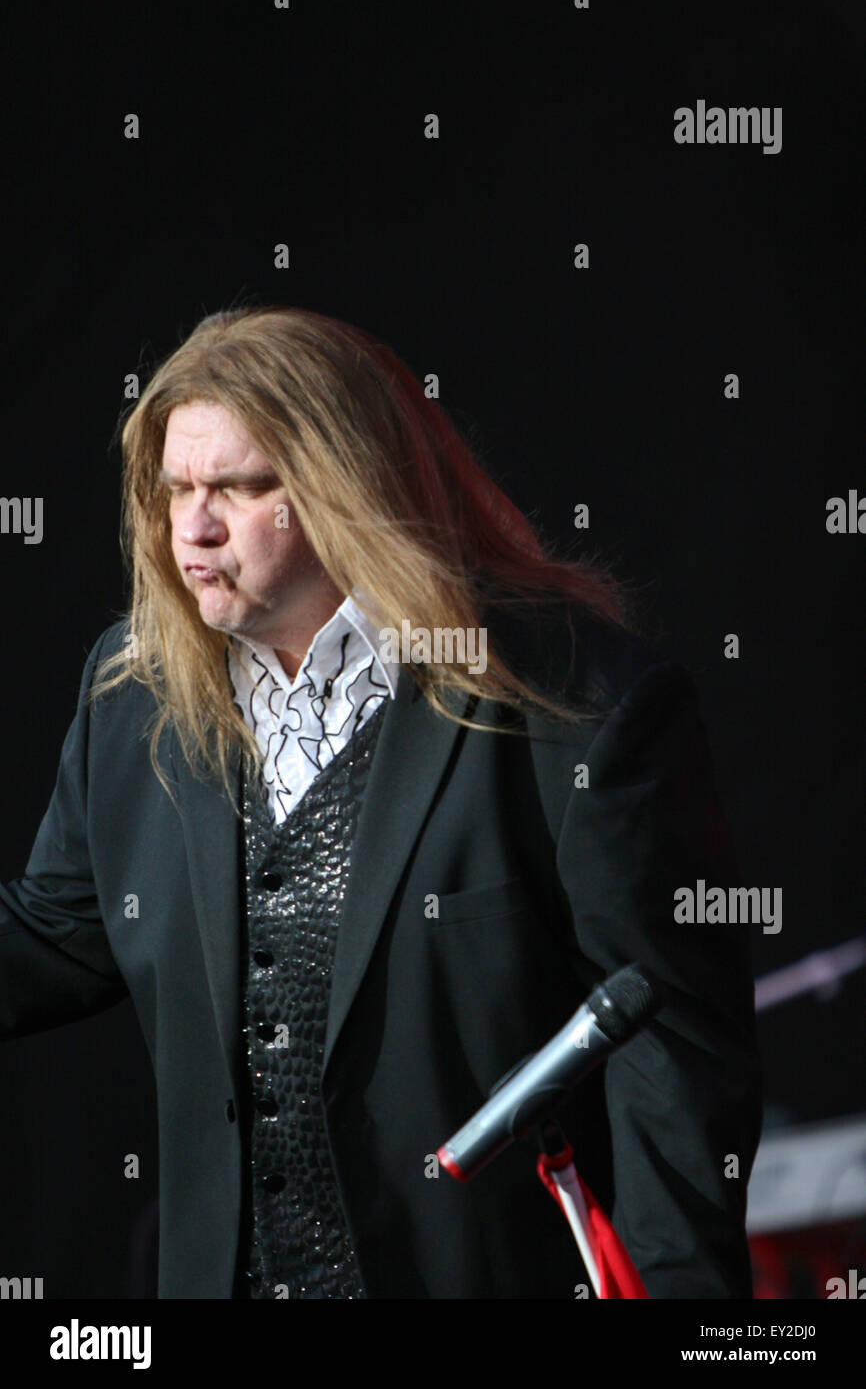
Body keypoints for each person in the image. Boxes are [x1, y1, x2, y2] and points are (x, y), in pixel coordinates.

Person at [0, 305, 762, 1299]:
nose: (191, 524)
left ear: (343, 484)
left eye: (237, 484)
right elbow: (55, 933)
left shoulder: (572, 703)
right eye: (176, 486)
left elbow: (673, 1055)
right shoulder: (135, 692)